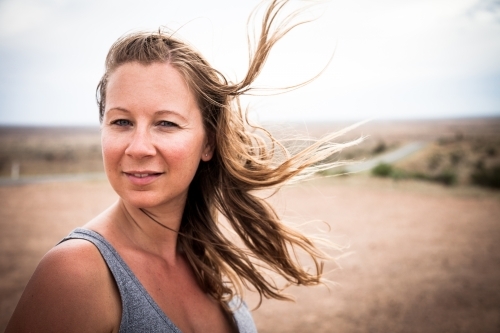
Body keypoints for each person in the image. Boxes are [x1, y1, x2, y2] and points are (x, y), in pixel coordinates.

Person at [6, 0, 360, 332]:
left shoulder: (205, 263)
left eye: (166, 123)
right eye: (121, 122)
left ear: (207, 143)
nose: (139, 147)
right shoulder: (75, 273)